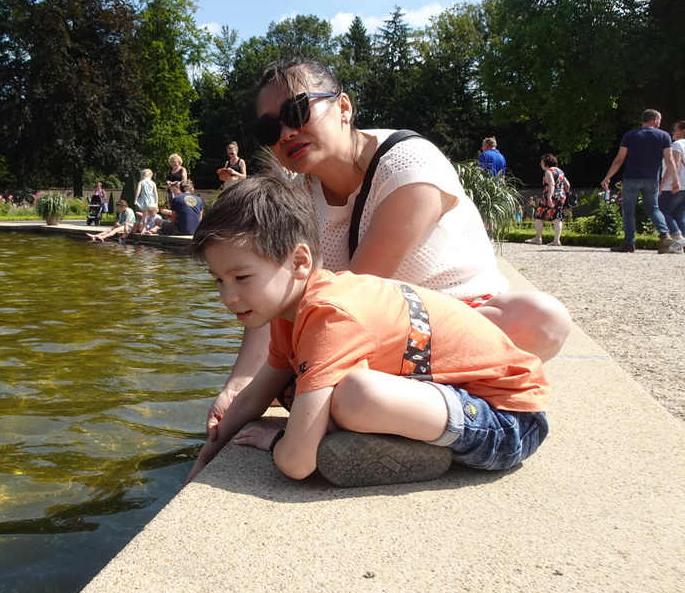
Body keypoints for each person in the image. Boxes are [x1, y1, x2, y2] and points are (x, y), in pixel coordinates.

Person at [207, 57, 570, 431]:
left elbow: (353, 295)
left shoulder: (408, 164)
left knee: (541, 319)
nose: (285, 133)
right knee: (312, 374)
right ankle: (415, 410)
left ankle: (414, 410)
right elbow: (272, 290)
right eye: (269, 127)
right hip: (368, 337)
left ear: (343, 107)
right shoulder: (292, 193)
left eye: (297, 111)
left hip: (455, 325)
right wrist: (240, 384)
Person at [185, 176, 549, 487]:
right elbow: (253, 397)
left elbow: (296, 464)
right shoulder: (288, 313)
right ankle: (402, 444)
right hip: (461, 401)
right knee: (306, 392)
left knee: (352, 395)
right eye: (219, 280)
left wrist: (276, 440)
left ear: (299, 262)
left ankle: (425, 453)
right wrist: (205, 459)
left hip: (507, 421)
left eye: (241, 277)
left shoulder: (330, 314)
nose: (228, 296)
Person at [601, 109, 680, 253]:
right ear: (655, 120)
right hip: (651, 179)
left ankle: (629, 244)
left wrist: (608, 177)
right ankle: (664, 235)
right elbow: (669, 160)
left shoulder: (630, 135)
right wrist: (675, 180)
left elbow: (619, 159)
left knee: (628, 211)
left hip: (632, 177)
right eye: (660, 120)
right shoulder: (664, 136)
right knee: (654, 208)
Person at [524, 154, 570, 246]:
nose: (540, 164)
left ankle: (538, 238)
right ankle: (557, 240)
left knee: (538, 215)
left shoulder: (549, 171)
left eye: (542, 162)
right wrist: (565, 194)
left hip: (550, 195)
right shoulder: (560, 171)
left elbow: (551, 184)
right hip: (561, 195)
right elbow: (567, 185)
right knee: (557, 217)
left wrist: (549, 197)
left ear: (546, 163)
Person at [657, 120, 685, 254]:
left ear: (683, 131)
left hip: (674, 184)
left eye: (675, 130)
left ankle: (678, 238)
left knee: (661, 211)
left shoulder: (677, 145)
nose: (673, 132)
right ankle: (679, 245)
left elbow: (673, 164)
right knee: (679, 215)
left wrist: (663, 183)